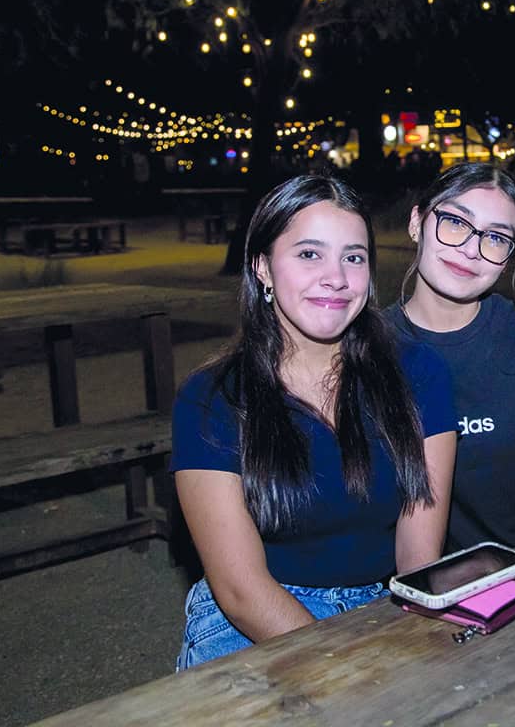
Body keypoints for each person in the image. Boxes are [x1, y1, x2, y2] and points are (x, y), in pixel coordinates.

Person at [171, 175, 457, 670]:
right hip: (255, 619)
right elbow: (240, 588)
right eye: (309, 255)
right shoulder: (212, 398)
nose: (337, 278)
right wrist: (344, 663)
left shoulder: (419, 373)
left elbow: (418, 554)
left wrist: (410, 639)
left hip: (384, 603)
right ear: (262, 266)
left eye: (354, 256)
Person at [385, 163, 515, 551]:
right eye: (455, 222)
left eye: (496, 238)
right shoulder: (369, 349)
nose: (469, 249)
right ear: (417, 221)